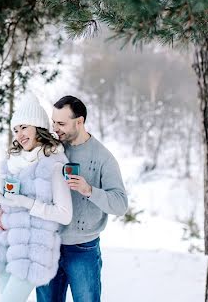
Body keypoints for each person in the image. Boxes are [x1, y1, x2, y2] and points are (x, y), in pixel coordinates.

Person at [0, 94, 73, 302]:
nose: (19, 135)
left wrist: (26, 203)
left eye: (24, 127)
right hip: (3, 245)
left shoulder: (54, 165)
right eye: (16, 129)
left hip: (32, 252)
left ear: (38, 128)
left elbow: (65, 215)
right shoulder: (12, 161)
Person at [37, 95, 128, 302]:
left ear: (80, 122)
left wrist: (89, 190)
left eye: (61, 123)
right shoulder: (51, 149)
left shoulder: (103, 158)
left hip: (83, 249)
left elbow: (121, 204)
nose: (55, 128)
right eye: (54, 122)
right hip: (49, 244)